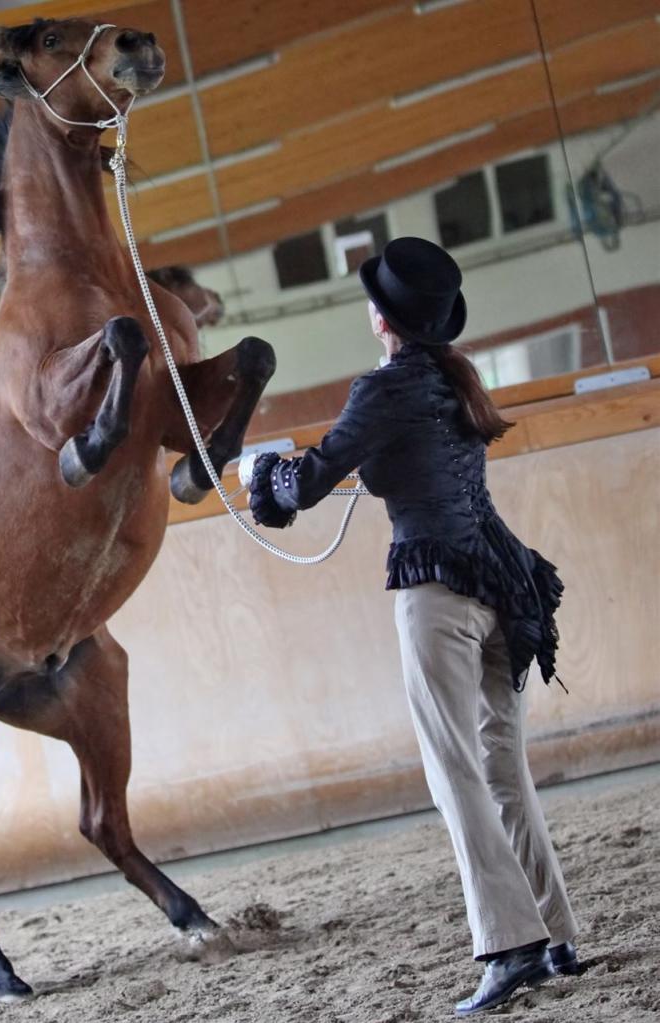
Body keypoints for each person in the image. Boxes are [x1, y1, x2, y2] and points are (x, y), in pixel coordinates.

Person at [245, 237, 579, 1016]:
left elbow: (308, 479)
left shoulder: (383, 388)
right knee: (500, 766)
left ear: (381, 316)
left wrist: (260, 476)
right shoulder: (454, 380)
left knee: (453, 768)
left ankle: (507, 944)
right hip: (503, 586)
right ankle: (555, 933)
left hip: (437, 589)